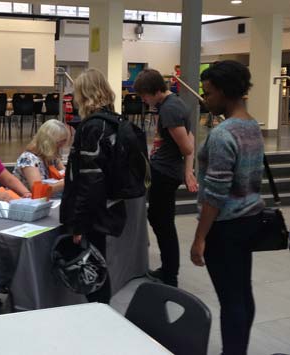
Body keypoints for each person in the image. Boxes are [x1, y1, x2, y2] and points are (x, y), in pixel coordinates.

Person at [191, 60, 264, 355]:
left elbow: (215, 194)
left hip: (226, 226)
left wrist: (199, 239)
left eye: (208, 94)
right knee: (243, 293)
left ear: (223, 91)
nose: (205, 100)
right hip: (250, 219)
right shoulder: (252, 125)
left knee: (231, 298)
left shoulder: (223, 134)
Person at [60, 68, 126, 304]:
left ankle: (100, 316)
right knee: (99, 264)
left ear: (84, 94)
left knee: (93, 270)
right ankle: (101, 312)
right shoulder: (114, 121)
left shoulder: (92, 127)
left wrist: (78, 223)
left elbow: (89, 180)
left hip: (94, 212)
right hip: (109, 204)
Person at [134, 68, 197, 287]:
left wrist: (187, 170)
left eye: (144, 95)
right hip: (166, 170)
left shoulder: (170, 109)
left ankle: (170, 274)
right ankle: (169, 270)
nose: (143, 100)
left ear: (155, 91)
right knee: (161, 220)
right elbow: (191, 137)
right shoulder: (175, 104)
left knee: (163, 223)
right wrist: (187, 171)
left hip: (165, 172)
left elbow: (188, 146)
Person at [12, 119, 68, 196]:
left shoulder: (52, 156)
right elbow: (38, 190)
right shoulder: (28, 159)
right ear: (48, 141)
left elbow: (65, 173)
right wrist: (68, 181)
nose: (62, 146)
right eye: (59, 142)